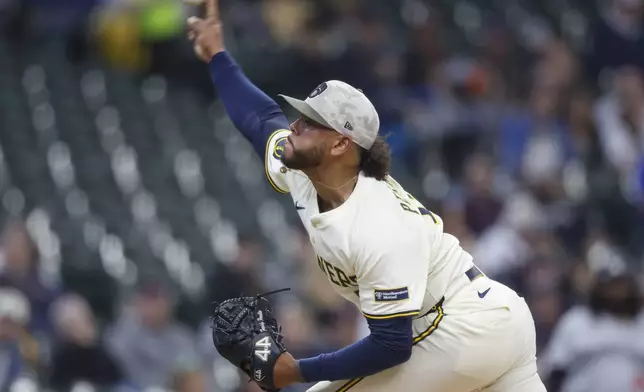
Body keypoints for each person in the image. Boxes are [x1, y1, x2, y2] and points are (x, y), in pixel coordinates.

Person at [187, 0, 547, 390]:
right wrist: (218, 55)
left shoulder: (377, 223)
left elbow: (392, 347)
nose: (294, 126)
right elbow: (260, 119)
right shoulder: (303, 170)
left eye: (309, 123)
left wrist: (293, 370)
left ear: (341, 145)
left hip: (460, 326)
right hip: (492, 322)